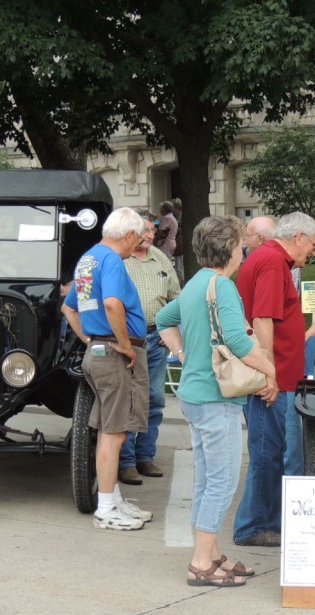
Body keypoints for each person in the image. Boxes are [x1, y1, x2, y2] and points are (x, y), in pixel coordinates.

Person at [157, 216, 278, 587]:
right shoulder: (222, 286)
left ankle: (210, 553)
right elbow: (240, 344)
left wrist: (182, 352)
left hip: (194, 394)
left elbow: (163, 318)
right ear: (230, 248)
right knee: (222, 481)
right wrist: (271, 371)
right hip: (215, 397)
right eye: (241, 244)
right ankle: (201, 562)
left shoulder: (196, 282)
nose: (244, 250)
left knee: (208, 479)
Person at [60, 207, 153, 531]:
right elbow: (113, 303)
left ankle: (112, 500)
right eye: (138, 239)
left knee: (109, 432)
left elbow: (68, 307)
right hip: (114, 355)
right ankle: (106, 508)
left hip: (98, 351)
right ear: (128, 235)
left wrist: (89, 337)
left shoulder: (89, 258)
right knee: (114, 433)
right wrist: (126, 345)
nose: (137, 246)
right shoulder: (112, 259)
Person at [232, 211, 315, 547]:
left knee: (270, 451)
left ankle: (264, 522)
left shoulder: (270, 260)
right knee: (269, 453)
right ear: (298, 237)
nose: (312, 251)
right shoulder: (272, 262)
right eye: (313, 243)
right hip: (275, 379)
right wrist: (268, 373)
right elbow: (263, 318)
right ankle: (255, 526)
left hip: (279, 377)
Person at [117, 209, 182, 486]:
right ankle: (126, 462)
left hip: (155, 339)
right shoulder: (120, 260)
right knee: (131, 401)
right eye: (145, 230)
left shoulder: (161, 259)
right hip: (127, 341)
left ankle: (145, 456)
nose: (150, 235)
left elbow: (176, 298)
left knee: (154, 399)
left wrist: (173, 333)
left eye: (153, 231)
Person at [156, 200, 180, 278]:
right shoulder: (172, 217)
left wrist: (155, 239)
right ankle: (168, 278)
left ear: (164, 209)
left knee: (163, 262)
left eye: (161, 209)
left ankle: (163, 279)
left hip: (166, 243)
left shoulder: (166, 218)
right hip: (172, 242)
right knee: (168, 262)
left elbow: (160, 231)